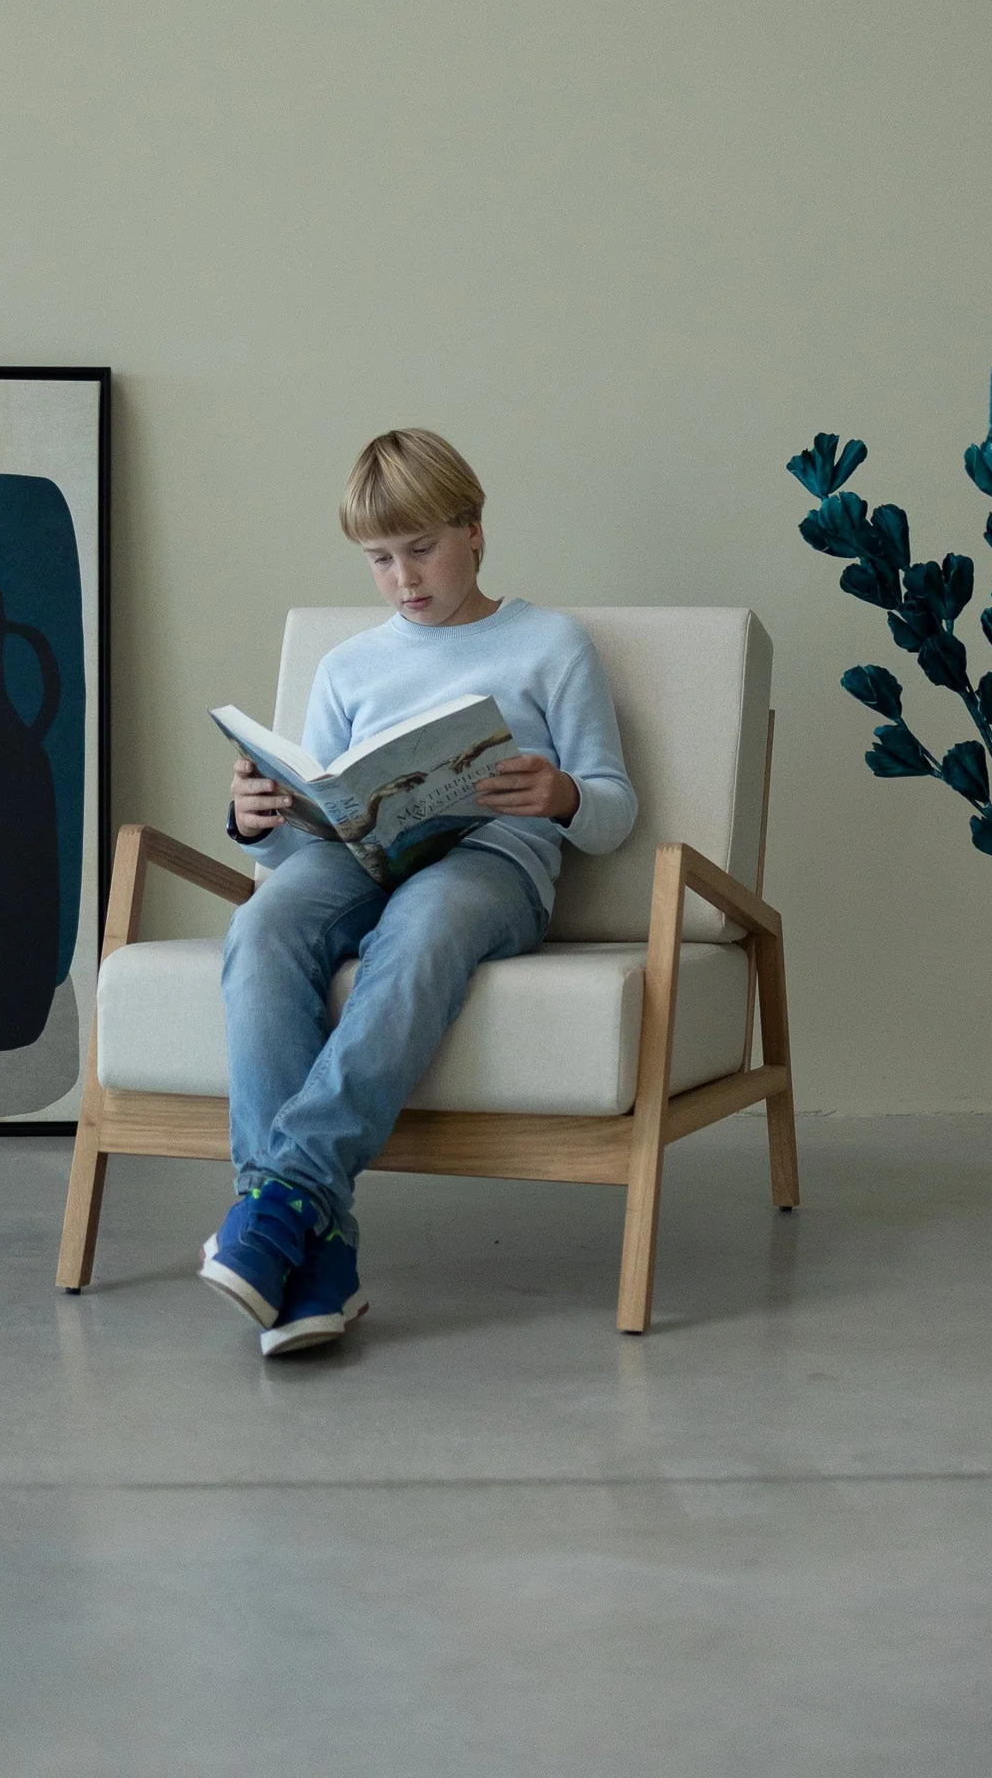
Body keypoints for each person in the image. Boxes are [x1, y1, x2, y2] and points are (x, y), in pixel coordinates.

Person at [204, 429, 637, 1354]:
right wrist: (258, 820)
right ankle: (312, 1254)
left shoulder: (552, 644)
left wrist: (563, 795)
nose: (403, 578)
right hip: (359, 858)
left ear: (474, 531)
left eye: (422, 548)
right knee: (267, 922)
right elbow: (304, 836)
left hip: (494, 864)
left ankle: (283, 1199)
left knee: (426, 917)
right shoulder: (348, 666)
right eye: (379, 559)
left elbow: (614, 811)